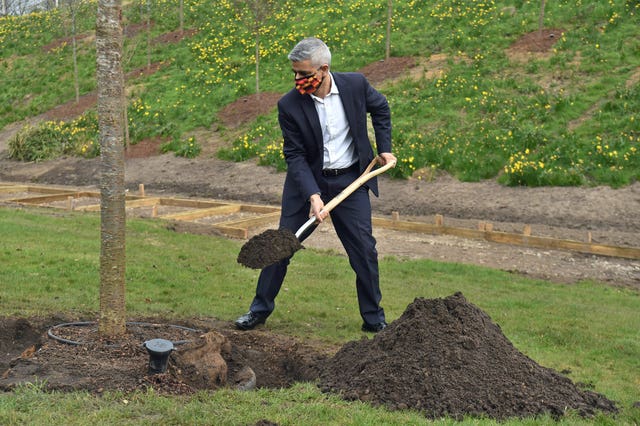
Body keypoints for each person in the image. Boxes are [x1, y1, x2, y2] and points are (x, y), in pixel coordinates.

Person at [234, 37, 396, 333]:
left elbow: (381, 108)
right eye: (294, 73)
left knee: (364, 250)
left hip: (351, 179)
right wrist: (312, 194)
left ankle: (374, 319)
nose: (298, 79)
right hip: (307, 181)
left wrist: (384, 147)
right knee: (281, 245)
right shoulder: (290, 105)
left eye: (304, 74)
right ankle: (258, 310)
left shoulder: (355, 86)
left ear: (323, 69)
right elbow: (294, 155)